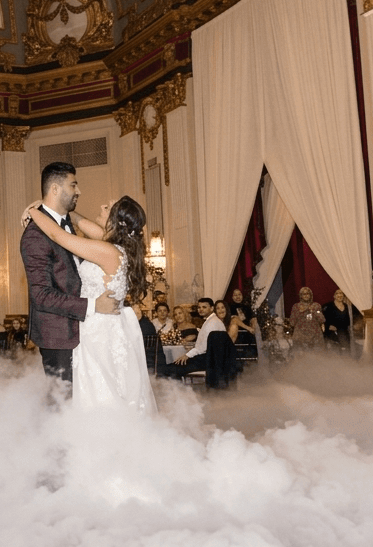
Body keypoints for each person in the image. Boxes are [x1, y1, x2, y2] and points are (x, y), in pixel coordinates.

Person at [24, 196, 157, 414]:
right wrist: (61, 206)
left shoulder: (108, 251)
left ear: (115, 220)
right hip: (104, 325)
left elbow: (58, 236)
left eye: (108, 207)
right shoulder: (114, 245)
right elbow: (81, 222)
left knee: (99, 391)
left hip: (99, 330)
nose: (102, 206)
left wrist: (34, 211)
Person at [19, 161, 109, 389]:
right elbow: (41, 295)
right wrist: (93, 305)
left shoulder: (63, 223)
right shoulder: (35, 234)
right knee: (62, 400)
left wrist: (38, 208)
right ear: (55, 189)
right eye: (73, 185)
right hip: (58, 335)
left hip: (82, 329)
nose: (79, 191)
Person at [162, 298, 226, 378]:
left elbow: (202, 348)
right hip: (212, 359)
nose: (201, 309)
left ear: (212, 308)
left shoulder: (211, 323)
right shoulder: (213, 321)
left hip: (207, 360)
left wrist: (187, 355)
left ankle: (175, 385)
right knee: (173, 366)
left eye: (204, 307)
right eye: (199, 307)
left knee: (169, 369)